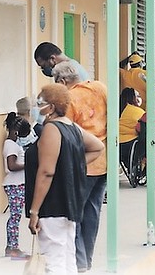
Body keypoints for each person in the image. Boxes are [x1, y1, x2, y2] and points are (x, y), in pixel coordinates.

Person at [25, 84, 104, 275]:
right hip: (69, 205)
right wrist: (71, 165)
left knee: (54, 262)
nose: (37, 107)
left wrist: (34, 210)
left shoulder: (51, 129)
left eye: (40, 103)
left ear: (51, 107)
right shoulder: (72, 126)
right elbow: (98, 147)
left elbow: (46, 172)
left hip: (52, 205)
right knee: (68, 259)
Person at [52, 61, 108, 272]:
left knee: (74, 214)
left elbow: (67, 133)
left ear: (63, 81)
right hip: (102, 161)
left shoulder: (68, 99)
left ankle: (80, 261)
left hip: (81, 163)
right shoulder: (100, 88)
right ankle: (88, 259)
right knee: (92, 213)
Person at [2, 112, 31, 260]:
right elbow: (11, 165)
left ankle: (11, 246)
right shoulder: (11, 145)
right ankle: (14, 248)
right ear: (16, 132)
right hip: (15, 184)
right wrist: (29, 164)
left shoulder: (11, 144)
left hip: (17, 184)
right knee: (15, 217)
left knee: (15, 216)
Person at [119, 87, 145, 168]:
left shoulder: (117, 109)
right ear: (133, 98)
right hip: (132, 144)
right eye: (137, 96)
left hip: (117, 144)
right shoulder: (138, 111)